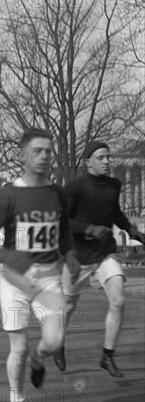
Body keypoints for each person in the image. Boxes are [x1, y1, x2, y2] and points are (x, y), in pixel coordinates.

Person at [0, 127, 81, 402]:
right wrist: (9, 257)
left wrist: (70, 254)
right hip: (15, 280)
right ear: (23, 155)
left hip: (48, 277)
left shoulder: (57, 193)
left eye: (49, 151)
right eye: (37, 151)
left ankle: (39, 357)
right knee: (19, 346)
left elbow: (64, 233)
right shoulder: (9, 195)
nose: (45, 156)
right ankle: (16, 396)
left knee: (55, 341)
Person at [55, 141, 145, 378]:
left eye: (108, 157)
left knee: (118, 300)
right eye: (101, 157)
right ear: (88, 162)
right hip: (78, 256)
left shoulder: (114, 185)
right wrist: (89, 229)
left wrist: (132, 230)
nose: (107, 161)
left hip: (105, 253)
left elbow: (115, 212)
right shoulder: (73, 187)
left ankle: (107, 355)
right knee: (67, 307)